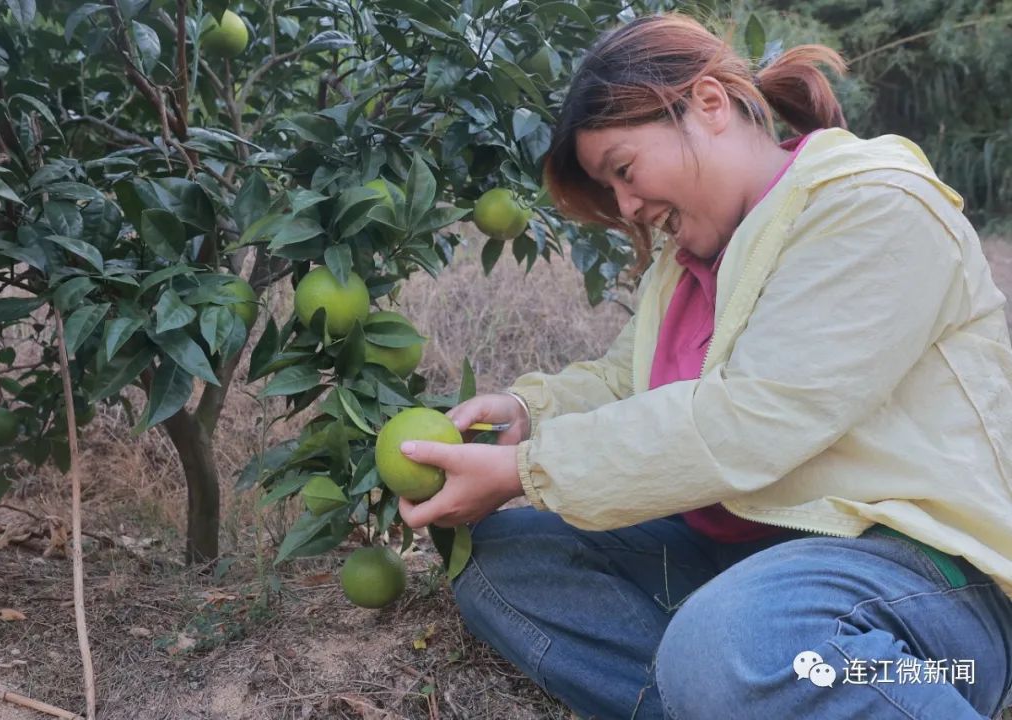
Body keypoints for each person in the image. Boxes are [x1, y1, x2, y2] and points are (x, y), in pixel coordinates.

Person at [396, 12, 1012, 720]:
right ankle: (740, 690)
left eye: (623, 171)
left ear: (710, 104)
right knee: (499, 563)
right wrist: (529, 413)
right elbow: (627, 381)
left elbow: (753, 416)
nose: (626, 205)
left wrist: (529, 470)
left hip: (923, 584)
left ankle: (833, 682)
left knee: (737, 645)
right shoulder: (690, 263)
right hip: (749, 568)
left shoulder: (874, 206)